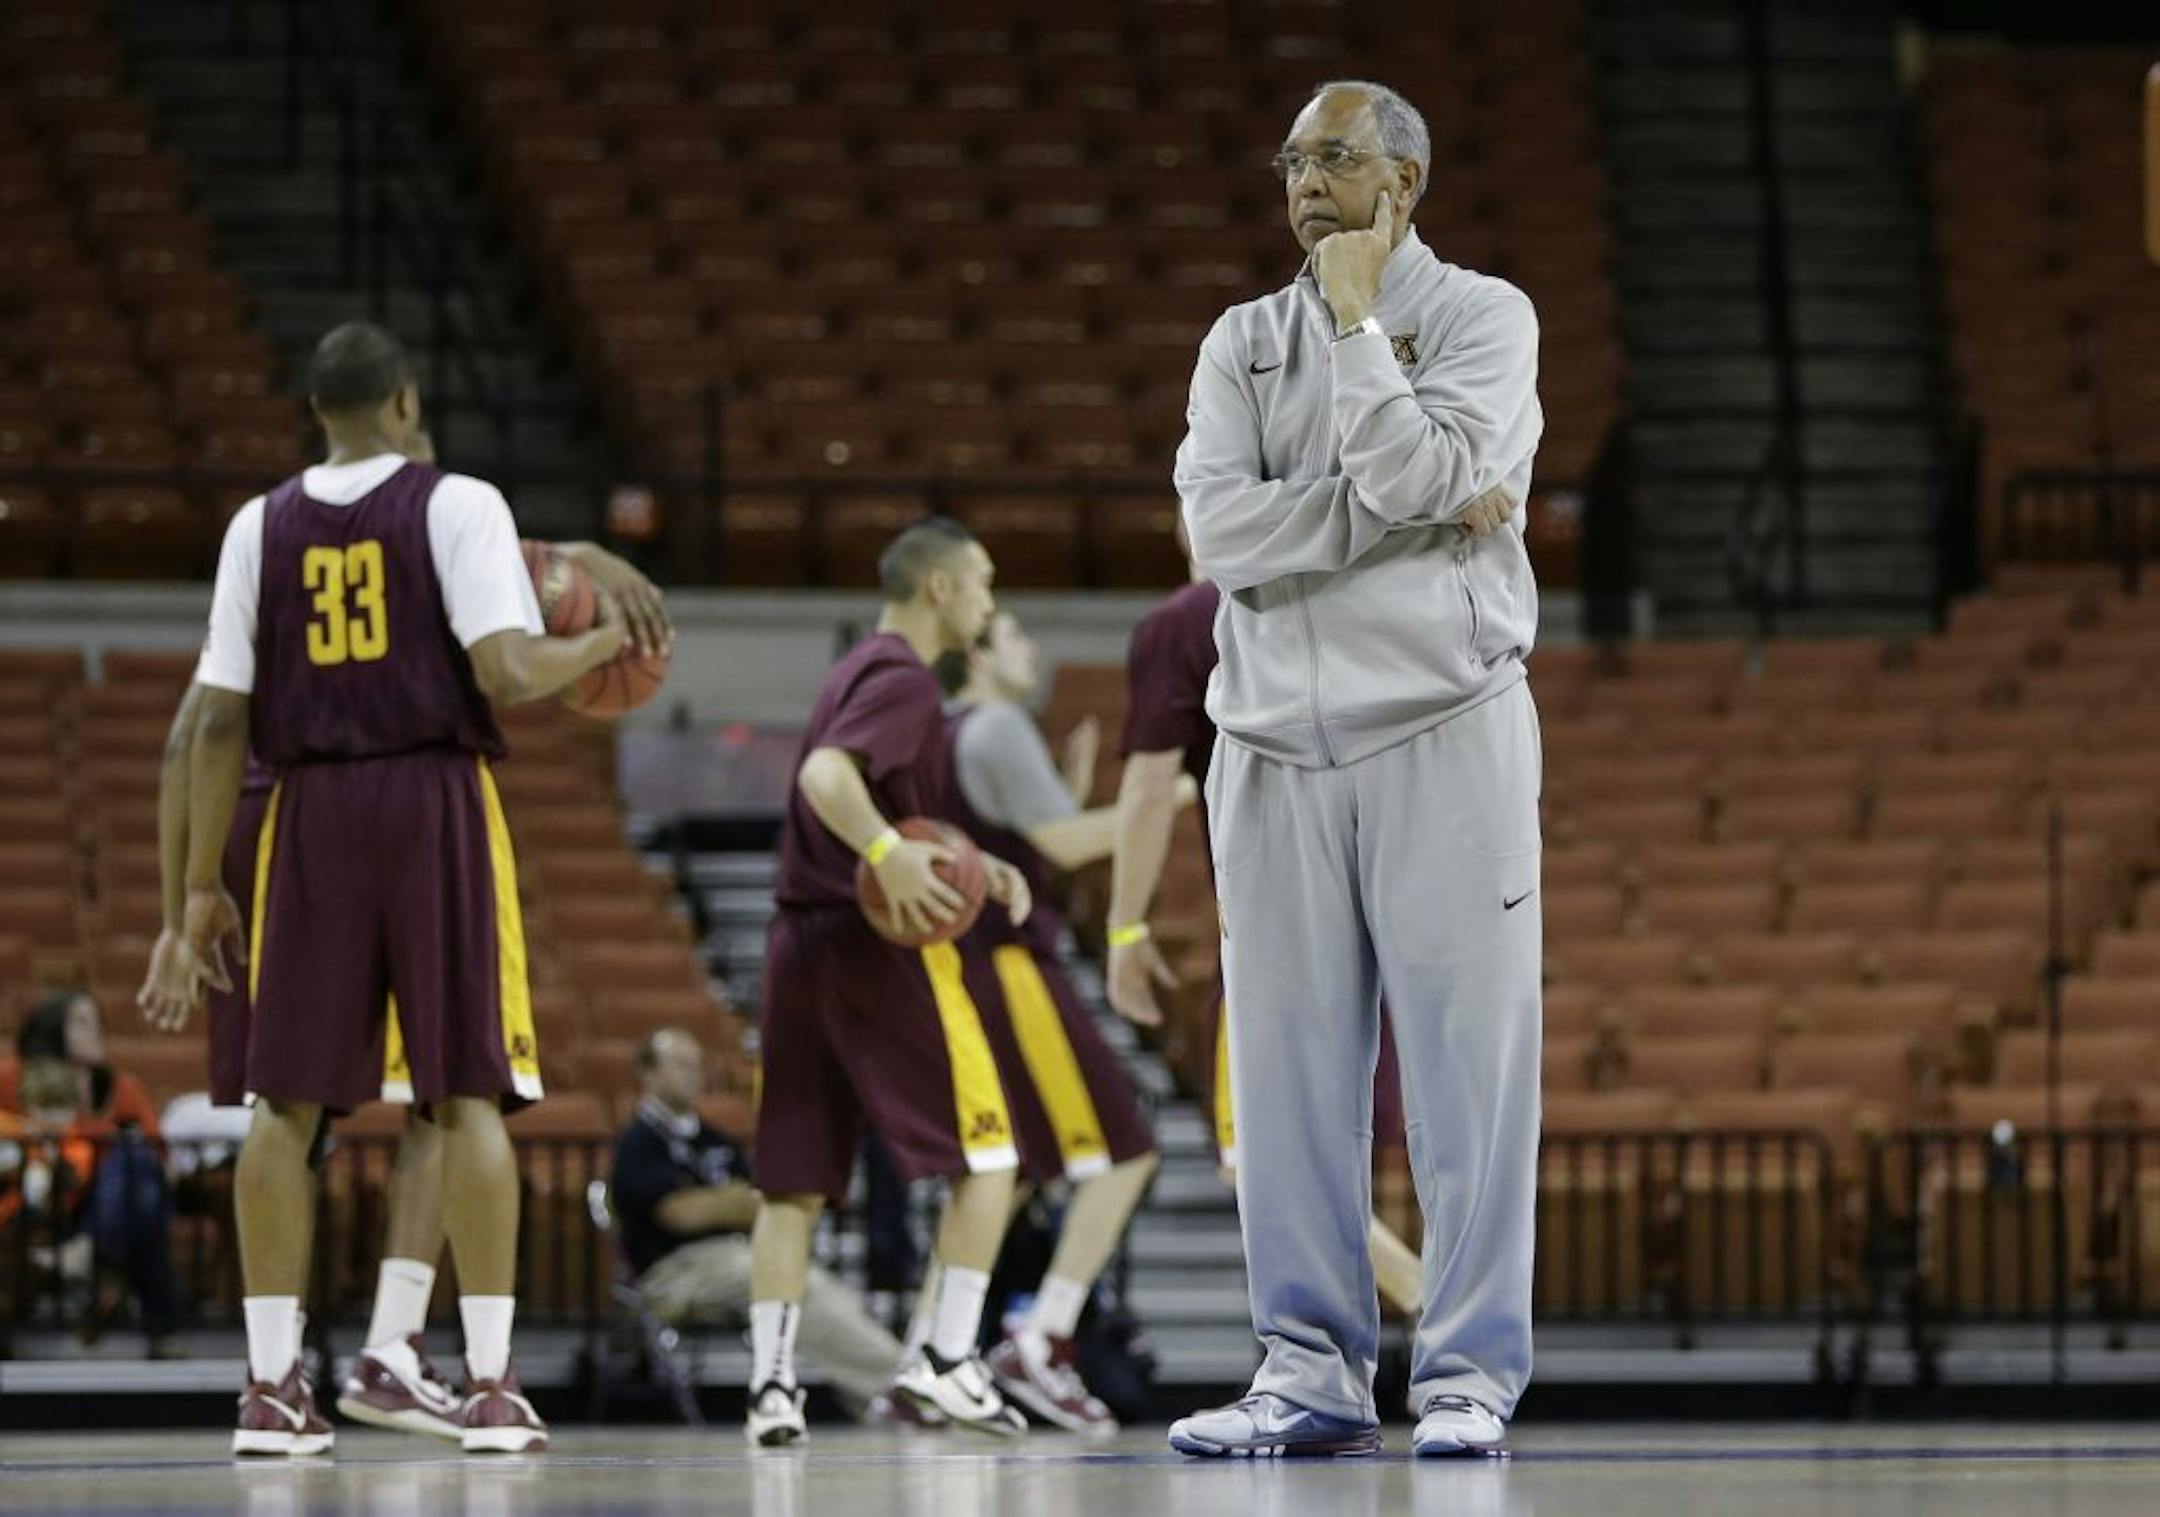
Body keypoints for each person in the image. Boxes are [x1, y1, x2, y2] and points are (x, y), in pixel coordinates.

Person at [142, 321, 628, 1457]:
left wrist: (200, 892)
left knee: (285, 1104)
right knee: (467, 1087)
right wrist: (596, 643)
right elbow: (510, 669)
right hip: (431, 797)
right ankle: (495, 1384)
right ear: (406, 403)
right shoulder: (458, 501)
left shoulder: (258, 523)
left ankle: (270, 1390)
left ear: (320, 409)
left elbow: (213, 718)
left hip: (305, 811)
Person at [1165, 81, 1544, 1460]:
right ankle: (1309, 1370)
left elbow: (1417, 459)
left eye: (1333, 159)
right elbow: (1218, 531)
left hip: (1446, 729)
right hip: (1266, 746)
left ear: (1409, 181)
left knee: (1468, 1074)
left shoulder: (1486, 319)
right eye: (1288, 163)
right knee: (1284, 1080)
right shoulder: (1237, 342)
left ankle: (1465, 1377)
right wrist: (1415, 504)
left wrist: (1358, 325)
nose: (1304, 183)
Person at [745, 516, 1033, 1446]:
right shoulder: (907, 677)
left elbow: (892, 814)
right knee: (989, 1158)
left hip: (800, 939)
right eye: (983, 580)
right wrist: (882, 849)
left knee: (792, 1183)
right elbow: (831, 778)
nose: (992, 601)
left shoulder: (854, 669)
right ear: (940, 587)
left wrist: (971, 864)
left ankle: (771, 1387)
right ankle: (945, 1359)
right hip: (876, 948)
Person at [1103, 555, 1431, 1328]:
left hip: (1280, 918)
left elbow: (1150, 788)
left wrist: (1124, 927)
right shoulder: (1362, 589)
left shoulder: (1185, 620)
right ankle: (1377, 1338)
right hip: (1390, 900)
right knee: (1330, 1150)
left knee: (1257, 1153)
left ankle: (1422, 1305)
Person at [933, 611, 1173, 1433]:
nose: (1032, 647)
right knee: (1125, 1150)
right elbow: (1066, 848)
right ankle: (1040, 1338)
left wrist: (1064, 794)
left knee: (1005, 1173)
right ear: (979, 653)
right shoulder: (997, 726)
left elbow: (1019, 840)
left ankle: (924, 1356)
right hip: (1011, 964)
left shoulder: (945, 730)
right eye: (1016, 635)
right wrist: (1166, 794)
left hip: (964, 964)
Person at [610, 1029, 908, 1418]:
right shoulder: (638, 1142)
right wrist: (731, 1202)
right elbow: (679, 1214)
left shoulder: (715, 1139)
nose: (693, 1073)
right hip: (674, 1271)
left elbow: (763, 1206)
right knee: (785, 1280)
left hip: (734, 1255)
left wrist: (720, 1204)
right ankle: (897, 1383)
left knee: (804, 1280)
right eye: (680, 1064)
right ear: (647, 1074)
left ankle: (885, 1391)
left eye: (698, 1064)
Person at [4, 991, 182, 1355]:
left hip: (109, 1206)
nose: (96, 1031)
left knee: (135, 1162)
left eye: (97, 1022)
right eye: (82, 1022)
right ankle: (150, 1317)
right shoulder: (13, 1077)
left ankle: (95, 1253)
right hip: (40, 1198)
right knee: (136, 1185)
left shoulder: (123, 1087)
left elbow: (165, 1163)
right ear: (55, 1029)